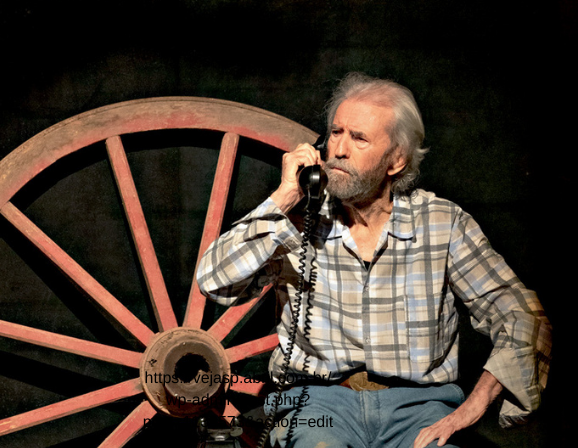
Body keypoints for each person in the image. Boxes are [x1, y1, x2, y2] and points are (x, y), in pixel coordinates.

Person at [196, 72, 551, 448]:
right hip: (318, 406)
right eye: (335, 133)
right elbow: (214, 280)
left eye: (359, 138)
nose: (339, 150)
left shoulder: (442, 224)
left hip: (419, 409)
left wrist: (473, 407)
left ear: (396, 160)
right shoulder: (298, 223)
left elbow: (521, 315)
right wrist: (285, 196)